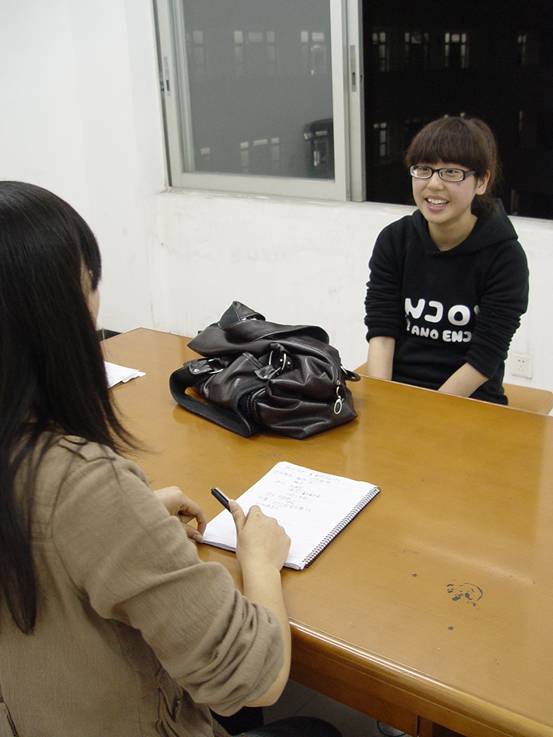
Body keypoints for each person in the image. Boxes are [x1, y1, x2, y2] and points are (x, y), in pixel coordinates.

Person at [0, 181, 341, 737]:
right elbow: (254, 679)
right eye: (90, 281)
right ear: (56, 312)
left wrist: (130, 522)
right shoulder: (82, 481)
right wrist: (259, 560)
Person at [364, 116, 529, 405]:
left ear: (481, 181)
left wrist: (432, 411)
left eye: (451, 172)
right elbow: (382, 331)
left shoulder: (505, 257)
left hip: (470, 400)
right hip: (399, 391)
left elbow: (485, 356)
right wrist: (382, 400)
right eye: (423, 169)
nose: (434, 184)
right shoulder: (394, 240)